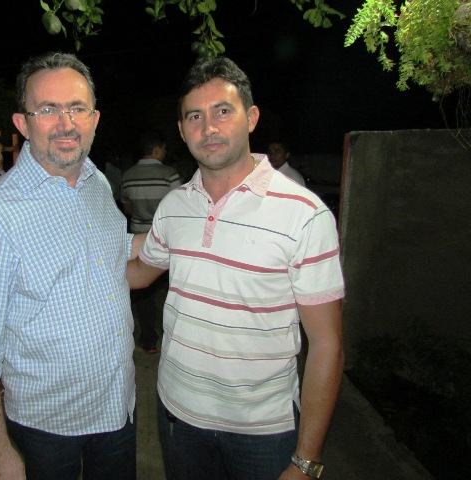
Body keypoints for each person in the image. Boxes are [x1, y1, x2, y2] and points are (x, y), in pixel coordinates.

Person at [127, 57, 345, 480]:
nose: (208, 127)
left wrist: (305, 461)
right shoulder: (173, 206)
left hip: (263, 432)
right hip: (178, 417)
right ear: (181, 130)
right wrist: (79, 259)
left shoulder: (305, 214)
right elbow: (138, 273)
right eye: (195, 116)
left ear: (252, 118)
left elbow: (327, 345)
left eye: (222, 111)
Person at [0, 52, 143, 480]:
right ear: (23, 123)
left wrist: (181, 234)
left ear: (94, 118)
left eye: (77, 108)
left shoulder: (97, 183)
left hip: (118, 406)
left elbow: (117, 250)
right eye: (48, 110)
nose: (65, 123)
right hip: (46, 428)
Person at [120, 128, 181, 353]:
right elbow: (180, 210)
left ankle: (148, 339)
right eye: (163, 149)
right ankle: (174, 338)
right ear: (156, 150)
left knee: (144, 293)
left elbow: (127, 207)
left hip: (138, 238)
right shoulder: (170, 175)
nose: (164, 152)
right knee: (173, 290)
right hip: (167, 242)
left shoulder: (128, 176)